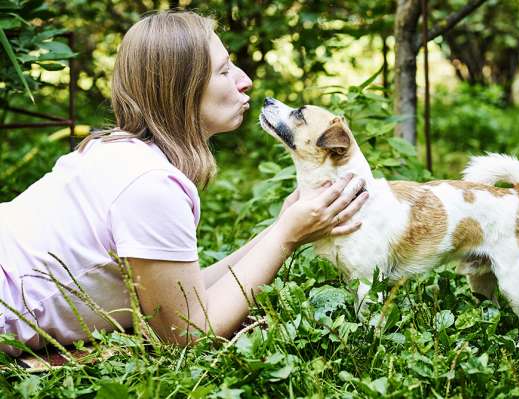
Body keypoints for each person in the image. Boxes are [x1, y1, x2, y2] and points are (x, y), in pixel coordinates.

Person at [0, 10, 368, 356]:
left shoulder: (117, 153)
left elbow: (182, 296)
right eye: (224, 72)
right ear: (182, 89)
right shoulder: (149, 186)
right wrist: (286, 236)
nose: (245, 81)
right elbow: (186, 333)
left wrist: (280, 229)